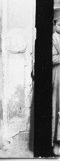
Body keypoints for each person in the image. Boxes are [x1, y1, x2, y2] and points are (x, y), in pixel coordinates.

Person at [52, 9, 60, 155]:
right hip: (58, 75)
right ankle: (56, 141)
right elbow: (50, 58)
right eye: (59, 24)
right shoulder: (52, 38)